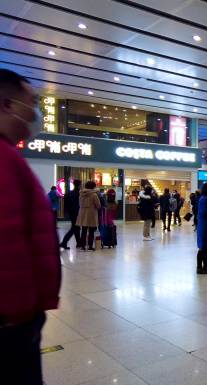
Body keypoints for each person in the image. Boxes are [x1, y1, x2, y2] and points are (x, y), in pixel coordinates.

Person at [0, 69, 61, 385]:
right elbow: (6, 242)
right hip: (12, 322)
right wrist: (19, 314)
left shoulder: (10, 154)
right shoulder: (4, 159)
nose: (36, 111)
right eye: (32, 102)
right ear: (9, 105)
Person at [75, 181, 101, 251]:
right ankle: (90, 246)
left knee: (83, 230)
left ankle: (82, 246)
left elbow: (79, 203)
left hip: (82, 213)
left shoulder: (81, 194)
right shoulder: (94, 195)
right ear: (93, 187)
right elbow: (98, 205)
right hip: (91, 214)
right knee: (91, 231)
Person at [60, 179, 82, 249]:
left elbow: (65, 204)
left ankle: (79, 243)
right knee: (74, 228)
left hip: (71, 213)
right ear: (79, 185)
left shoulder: (69, 193)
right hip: (77, 213)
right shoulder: (79, 193)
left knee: (76, 228)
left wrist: (66, 212)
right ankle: (64, 242)